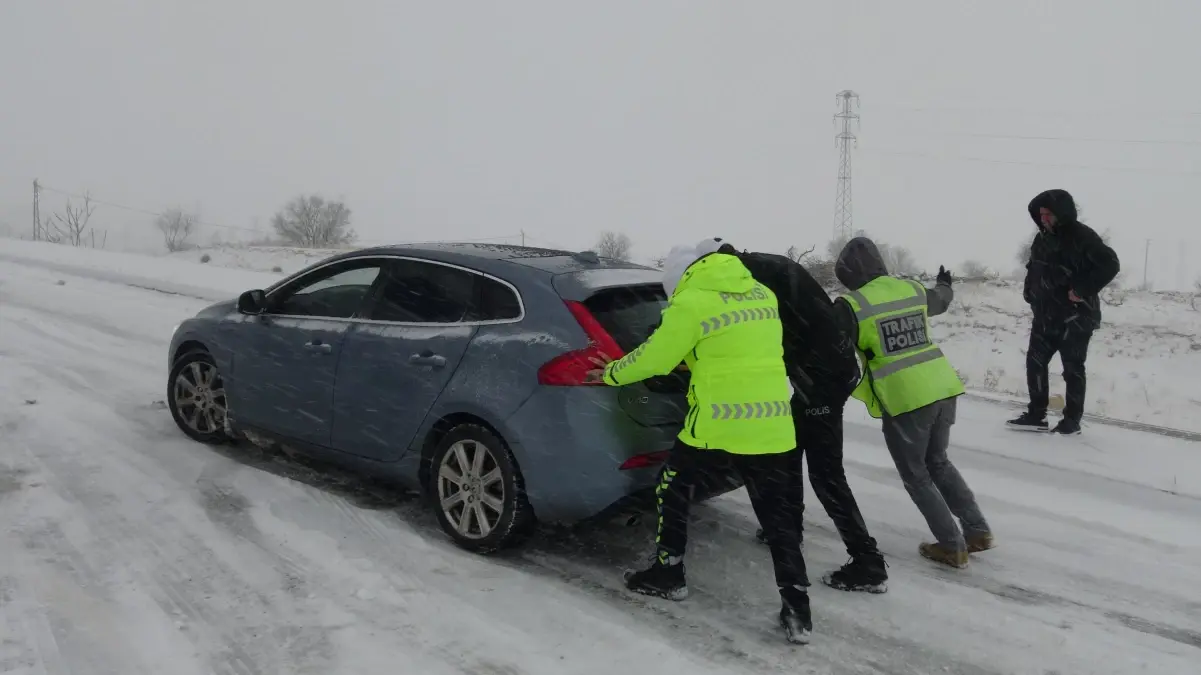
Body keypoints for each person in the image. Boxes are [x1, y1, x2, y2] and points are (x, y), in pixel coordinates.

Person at [586, 243, 813, 644]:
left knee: (672, 491)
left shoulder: (691, 303)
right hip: (773, 424)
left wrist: (611, 373)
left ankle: (668, 574)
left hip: (716, 428)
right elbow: (739, 349)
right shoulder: (761, 293)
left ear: (680, 278)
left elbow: (654, 360)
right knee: (778, 519)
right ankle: (797, 610)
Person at [701, 239, 888, 593]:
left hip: (821, 377)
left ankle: (868, 562)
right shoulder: (766, 266)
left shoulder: (754, 280)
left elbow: (759, 330)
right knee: (789, 444)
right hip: (827, 369)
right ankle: (791, 525)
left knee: (826, 472)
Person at [832, 237, 993, 569]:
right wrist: (945, 283)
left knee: (916, 474)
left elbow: (829, 342)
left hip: (907, 398)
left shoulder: (852, 305)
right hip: (942, 385)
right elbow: (942, 300)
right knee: (939, 462)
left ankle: (952, 546)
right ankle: (977, 531)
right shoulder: (911, 289)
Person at [1008, 189, 1120, 435]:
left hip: (1076, 316)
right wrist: (1030, 292)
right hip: (1045, 314)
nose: (1044, 219)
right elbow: (1034, 268)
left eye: (1048, 214)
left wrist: (1081, 289)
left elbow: (1110, 264)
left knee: (1072, 369)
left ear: (1061, 213)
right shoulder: (1042, 239)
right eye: (1041, 215)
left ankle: (1072, 420)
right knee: (1035, 363)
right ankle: (1036, 414)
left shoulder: (1082, 237)